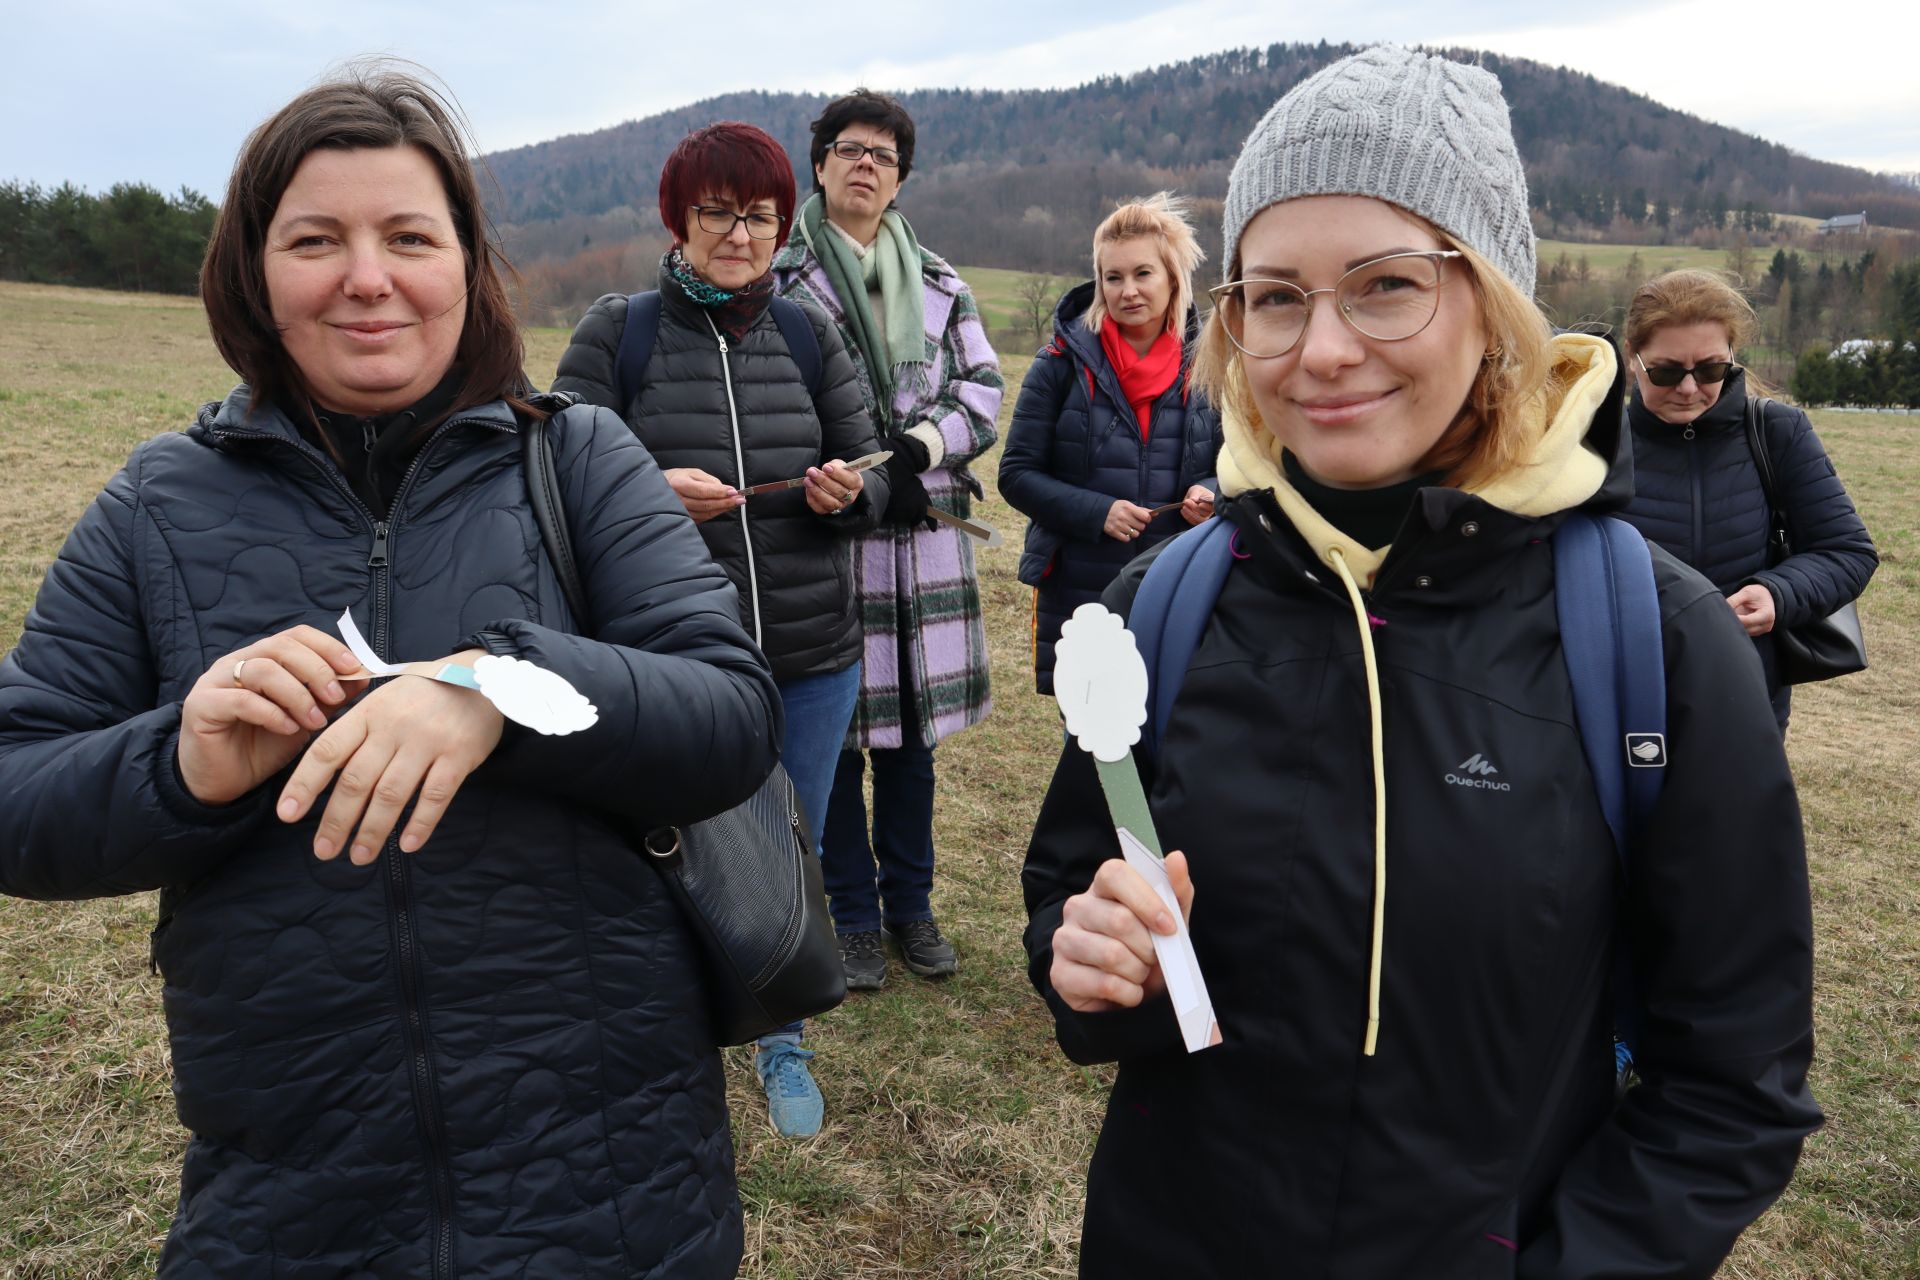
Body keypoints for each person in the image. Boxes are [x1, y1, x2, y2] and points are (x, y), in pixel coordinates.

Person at [1021, 46, 1821, 1278]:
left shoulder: (1656, 638)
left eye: (1386, 284)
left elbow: (1733, 1084)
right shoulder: (1165, 604)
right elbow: (1074, 892)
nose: (1321, 349)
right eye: (1275, 297)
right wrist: (1087, 965)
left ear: (1492, 301)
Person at [0, 69, 780, 1278]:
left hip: (611, 1180)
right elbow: (17, 793)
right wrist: (181, 761)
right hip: (294, 1194)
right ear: (255, 269)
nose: (367, 277)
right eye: (316, 239)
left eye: (409, 237)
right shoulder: (157, 501)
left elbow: (732, 714)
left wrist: (497, 686)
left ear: (466, 265)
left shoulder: (577, 456)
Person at [551, 121, 887, 1138]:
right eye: (719, 213)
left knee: (792, 845)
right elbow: (549, 477)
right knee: (663, 848)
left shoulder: (809, 334)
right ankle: (665, 1033)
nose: (740, 236)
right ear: (679, 218)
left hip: (812, 654)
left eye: (761, 217)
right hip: (668, 659)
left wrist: (848, 494)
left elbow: (874, 473)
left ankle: (783, 1036)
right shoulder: (620, 333)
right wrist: (649, 490)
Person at [772, 89, 1003, 989]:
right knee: (833, 739)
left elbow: (981, 391)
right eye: (849, 149)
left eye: (883, 155)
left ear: (900, 178)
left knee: (911, 741)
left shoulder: (941, 282)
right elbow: (774, 403)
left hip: (922, 540)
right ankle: (854, 917)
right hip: (828, 539)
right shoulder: (780, 281)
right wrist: (863, 479)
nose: (866, 165)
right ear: (821, 163)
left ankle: (913, 906)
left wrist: (918, 453)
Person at [1617, 269, 1876, 733]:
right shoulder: (1595, 441)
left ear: (1733, 356)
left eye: (1711, 369)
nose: (1689, 389)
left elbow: (1847, 552)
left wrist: (1777, 593)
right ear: (1632, 358)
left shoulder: (1777, 431)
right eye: (1666, 371)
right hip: (1618, 695)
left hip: (1744, 696)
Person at [999, 193, 1220, 694]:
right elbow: (1016, 475)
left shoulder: (1212, 366)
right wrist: (1098, 512)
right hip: (1082, 589)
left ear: (1173, 277)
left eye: (1143, 274)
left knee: (1174, 725)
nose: (1128, 291)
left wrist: (1211, 491)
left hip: (1179, 581)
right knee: (1090, 728)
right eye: (1113, 277)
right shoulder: (1058, 364)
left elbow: (1240, 467)